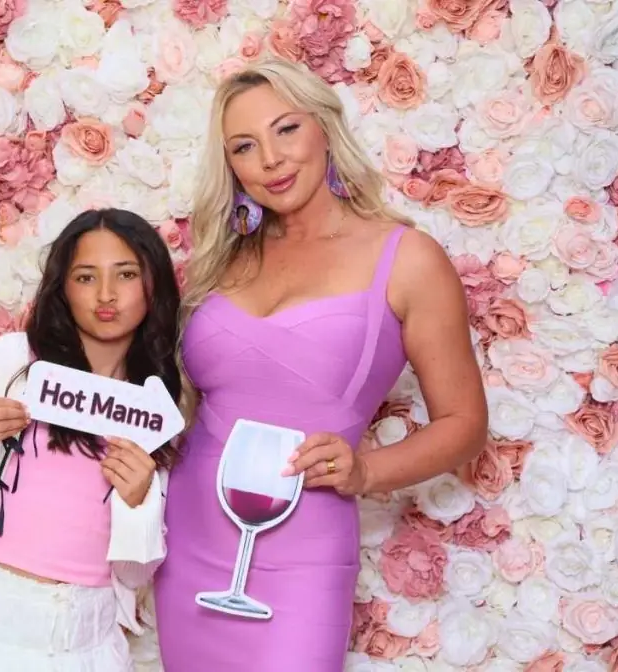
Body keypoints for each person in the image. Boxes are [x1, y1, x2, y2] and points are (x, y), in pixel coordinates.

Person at [153, 60, 488, 670]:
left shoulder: (407, 258)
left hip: (304, 548)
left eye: (286, 130)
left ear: (324, 128)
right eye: (245, 147)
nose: (271, 160)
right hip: (191, 543)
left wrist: (365, 470)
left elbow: (464, 422)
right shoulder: (220, 262)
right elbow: (186, 402)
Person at [0, 208, 182, 671]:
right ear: (63, 289)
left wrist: (139, 503)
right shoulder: (12, 362)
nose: (107, 295)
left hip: (85, 643)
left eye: (127, 274)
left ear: (153, 287)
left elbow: (134, 576)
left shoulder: (155, 406)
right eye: (86, 277)